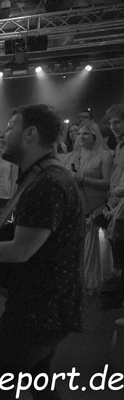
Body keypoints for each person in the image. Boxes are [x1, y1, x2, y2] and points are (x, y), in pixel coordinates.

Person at [0, 104, 84, 400]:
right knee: (38, 380)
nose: (3, 134)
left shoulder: (47, 183)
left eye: (10, 127)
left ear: (30, 133)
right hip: (49, 304)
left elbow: (21, 250)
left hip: (39, 309)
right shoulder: (43, 176)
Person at [62, 121, 113, 295]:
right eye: (78, 134)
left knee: (91, 249)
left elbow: (107, 183)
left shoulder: (105, 156)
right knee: (74, 249)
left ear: (94, 135)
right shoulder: (71, 156)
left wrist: (83, 180)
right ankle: (75, 282)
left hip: (95, 208)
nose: (80, 137)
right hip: (74, 208)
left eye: (85, 133)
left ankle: (91, 284)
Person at [102, 105, 124, 319]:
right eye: (111, 123)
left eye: (117, 122)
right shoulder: (119, 146)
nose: (113, 126)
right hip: (117, 208)